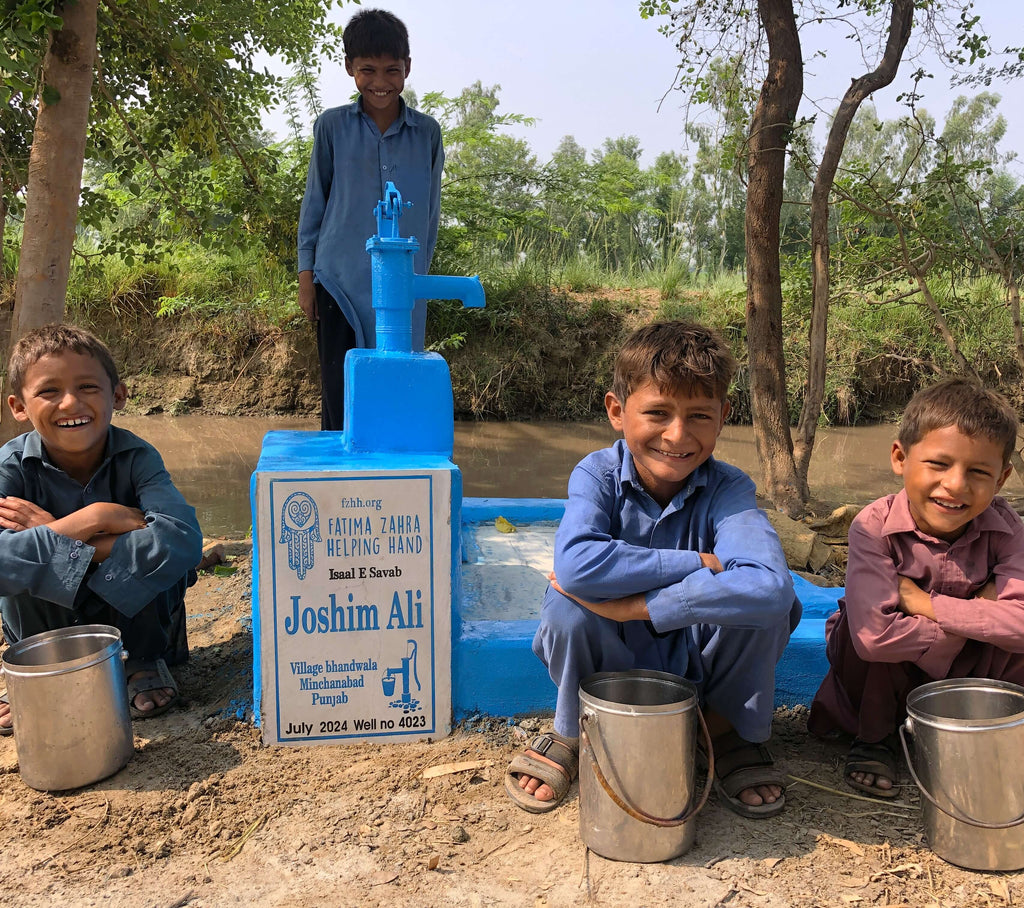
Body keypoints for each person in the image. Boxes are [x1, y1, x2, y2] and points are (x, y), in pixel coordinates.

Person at [505, 320, 801, 817]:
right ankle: (576, 729)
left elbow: (770, 586)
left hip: (696, 658)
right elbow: (575, 567)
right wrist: (695, 563)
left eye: (699, 415)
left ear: (724, 416)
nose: (678, 435)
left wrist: (640, 608)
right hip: (610, 661)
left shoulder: (729, 489)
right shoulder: (596, 475)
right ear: (617, 411)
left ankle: (722, 731)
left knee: (773, 607)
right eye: (658, 413)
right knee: (568, 611)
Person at [808, 377, 1023, 798]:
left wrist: (925, 603)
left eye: (979, 472)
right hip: (881, 671)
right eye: (939, 465)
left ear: (1002, 479)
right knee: (859, 621)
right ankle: (874, 739)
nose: (956, 485)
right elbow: (874, 638)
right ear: (899, 457)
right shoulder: (873, 527)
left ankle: (982, 727)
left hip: (965, 674)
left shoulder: (1010, 530)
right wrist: (975, 618)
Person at [0, 325, 203, 735]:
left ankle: (143, 660)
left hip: (136, 620)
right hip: (47, 621)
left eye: (88, 386)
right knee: (20, 569)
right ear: (18, 407)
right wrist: (93, 519)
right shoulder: (11, 466)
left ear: (118, 395)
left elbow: (182, 541)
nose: (70, 402)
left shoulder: (139, 457)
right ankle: (42, 667)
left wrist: (56, 538)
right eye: (48, 391)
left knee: (162, 560)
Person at [297, 8, 444, 430]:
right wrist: (307, 277)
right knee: (340, 396)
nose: (380, 82)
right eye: (368, 70)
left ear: (407, 69)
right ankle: (339, 489)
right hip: (339, 281)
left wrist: (418, 280)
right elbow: (315, 204)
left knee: (397, 391)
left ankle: (387, 491)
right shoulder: (331, 127)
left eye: (391, 70)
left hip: (402, 287)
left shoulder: (427, 134)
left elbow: (430, 216)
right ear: (350, 69)